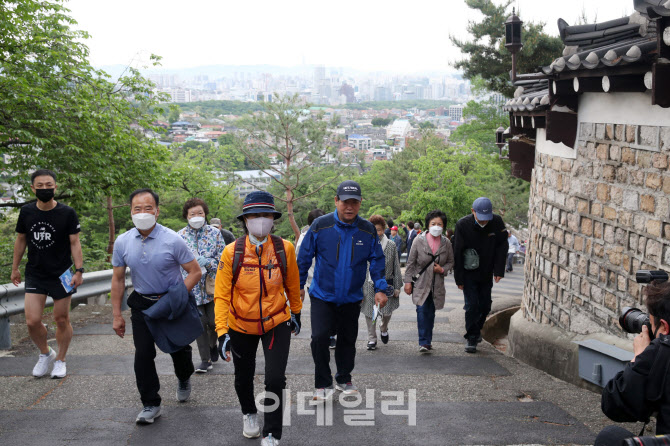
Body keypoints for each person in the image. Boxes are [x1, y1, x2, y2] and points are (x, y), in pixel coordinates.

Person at [214, 191, 302, 446]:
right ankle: (249, 413)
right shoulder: (232, 253)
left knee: (275, 377)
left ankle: (272, 431)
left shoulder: (284, 249)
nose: (260, 220)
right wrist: (222, 332)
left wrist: (296, 312)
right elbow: (221, 296)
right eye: (254, 216)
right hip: (240, 323)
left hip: (276, 321)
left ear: (273, 219)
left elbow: (292, 284)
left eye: (265, 215)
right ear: (245, 220)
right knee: (243, 375)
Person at [110, 188, 203, 424]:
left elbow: (195, 271)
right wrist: (116, 315)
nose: (143, 213)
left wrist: (178, 296)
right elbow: (118, 279)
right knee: (143, 354)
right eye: (137, 209)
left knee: (179, 349)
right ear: (130, 212)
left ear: (157, 211)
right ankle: (151, 403)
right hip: (142, 304)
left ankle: (184, 377)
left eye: (148, 208)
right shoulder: (122, 242)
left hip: (170, 301)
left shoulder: (173, 239)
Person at [297, 180, 388, 401]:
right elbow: (303, 258)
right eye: (345, 202)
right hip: (322, 295)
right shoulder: (320, 225)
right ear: (336, 201)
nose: (349, 207)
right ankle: (322, 383)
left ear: (360, 203)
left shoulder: (367, 229)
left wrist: (380, 288)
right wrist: (297, 286)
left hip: (351, 296)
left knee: (347, 339)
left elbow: (376, 260)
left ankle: (343, 378)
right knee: (319, 337)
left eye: (354, 203)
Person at [11, 169, 84, 379]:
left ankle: (60, 359)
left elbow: (74, 242)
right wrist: (15, 268)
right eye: (40, 186)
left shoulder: (67, 213)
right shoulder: (26, 212)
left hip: (62, 274)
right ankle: (45, 353)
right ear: (33, 188)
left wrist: (79, 270)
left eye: (49, 185)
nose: (45, 189)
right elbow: (21, 239)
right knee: (32, 321)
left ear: (55, 186)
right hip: (36, 272)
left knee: (61, 319)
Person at [596, 280, 670, 445]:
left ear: (664, 327)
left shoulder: (663, 350)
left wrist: (640, 357)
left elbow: (613, 405)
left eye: (650, 324)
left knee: (609, 436)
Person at [453, 197, 507, 354]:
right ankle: (471, 337)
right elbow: (457, 252)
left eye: (486, 219)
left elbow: (502, 245)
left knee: (485, 305)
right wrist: (459, 278)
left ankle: (476, 330)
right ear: (472, 212)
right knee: (471, 305)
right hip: (469, 272)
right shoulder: (462, 225)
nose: (484, 222)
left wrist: (499, 270)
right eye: (480, 218)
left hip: (486, 271)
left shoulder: (496, 222)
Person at [177, 198, 226, 373]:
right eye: (193, 214)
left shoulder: (215, 234)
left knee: (214, 322)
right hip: (191, 288)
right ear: (186, 216)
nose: (197, 216)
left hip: (213, 286)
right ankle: (205, 360)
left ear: (205, 215)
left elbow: (224, 259)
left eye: (200, 213)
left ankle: (213, 344)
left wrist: (209, 263)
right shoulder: (179, 236)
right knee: (199, 324)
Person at [403, 210, 454, 353]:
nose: (436, 226)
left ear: (444, 226)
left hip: (437, 284)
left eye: (439, 224)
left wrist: (442, 270)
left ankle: (427, 340)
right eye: (433, 224)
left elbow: (451, 262)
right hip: (421, 282)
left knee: (431, 312)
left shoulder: (447, 243)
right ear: (428, 225)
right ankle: (424, 342)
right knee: (422, 310)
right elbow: (411, 263)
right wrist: (407, 282)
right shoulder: (418, 240)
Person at [296, 209, 337, 349]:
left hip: (331, 278)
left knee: (332, 308)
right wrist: (300, 284)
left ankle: (330, 334)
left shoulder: (332, 234)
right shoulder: (303, 239)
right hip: (312, 280)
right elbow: (300, 261)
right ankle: (318, 336)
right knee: (318, 309)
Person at [361, 215, 403, 350]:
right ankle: (372, 338)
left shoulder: (391, 245)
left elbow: (396, 266)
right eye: (373, 229)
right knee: (369, 312)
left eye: (378, 230)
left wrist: (397, 287)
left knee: (386, 312)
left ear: (383, 229)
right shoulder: (364, 244)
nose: (376, 233)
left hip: (386, 284)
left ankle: (383, 328)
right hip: (368, 283)